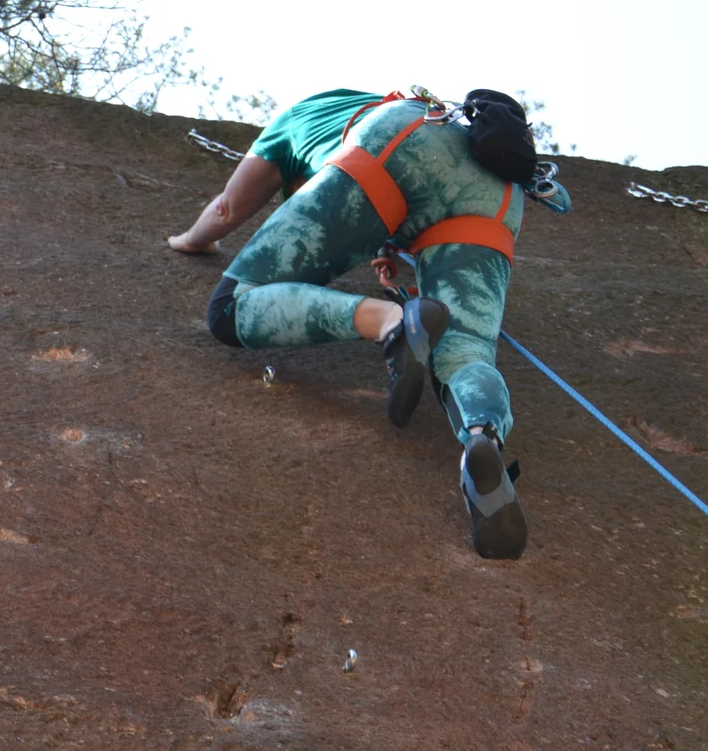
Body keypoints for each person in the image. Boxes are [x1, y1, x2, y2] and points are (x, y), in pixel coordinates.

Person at [174, 88, 540, 560]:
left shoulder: (296, 116)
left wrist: (191, 240)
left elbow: (227, 208)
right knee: (466, 351)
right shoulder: (451, 124)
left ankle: (391, 322)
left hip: (397, 142)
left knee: (229, 310)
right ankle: (481, 437)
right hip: (498, 193)